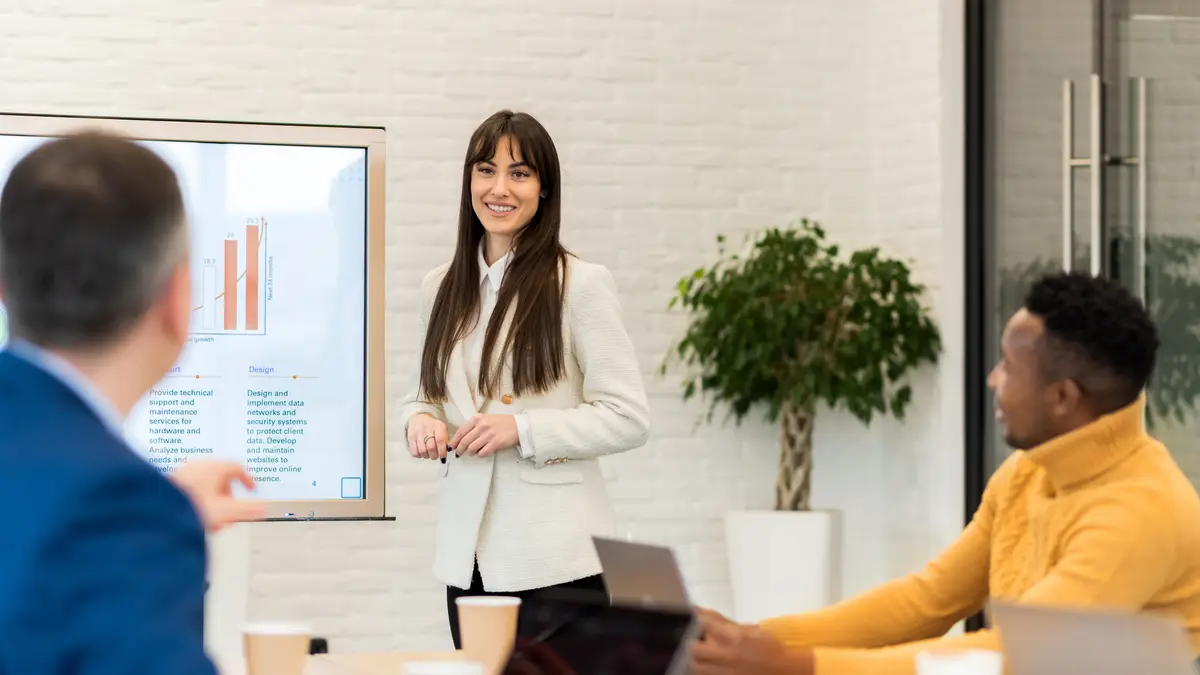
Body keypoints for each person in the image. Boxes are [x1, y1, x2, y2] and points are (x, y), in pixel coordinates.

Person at [689, 271, 1200, 675]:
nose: (992, 380)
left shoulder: (1138, 510)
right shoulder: (1026, 472)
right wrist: (750, 641)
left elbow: (1020, 657)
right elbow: (927, 602)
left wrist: (795, 666)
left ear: (1063, 397)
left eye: (1007, 367)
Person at [0, 131, 262, 675]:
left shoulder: (109, 504)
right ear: (177, 300)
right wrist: (147, 520)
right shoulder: (120, 511)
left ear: (5, 286)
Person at [398, 110, 651, 648]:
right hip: (468, 560)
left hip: (555, 560)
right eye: (486, 170)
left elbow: (628, 418)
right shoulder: (438, 287)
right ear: (468, 180)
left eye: (520, 173)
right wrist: (419, 420)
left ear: (544, 189)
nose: (499, 188)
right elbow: (427, 395)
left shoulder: (579, 285)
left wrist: (522, 429)